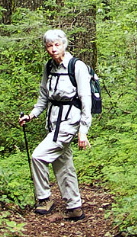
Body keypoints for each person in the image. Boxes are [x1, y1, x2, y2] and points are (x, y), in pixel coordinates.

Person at [19, 28, 91, 221]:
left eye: (56, 45)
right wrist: (31, 115)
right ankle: (74, 206)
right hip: (53, 122)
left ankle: (44, 199)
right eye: (49, 46)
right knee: (64, 164)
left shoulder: (77, 67)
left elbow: (86, 100)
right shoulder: (48, 67)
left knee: (38, 156)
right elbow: (44, 96)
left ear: (64, 45)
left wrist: (82, 131)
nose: (53, 49)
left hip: (69, 123)